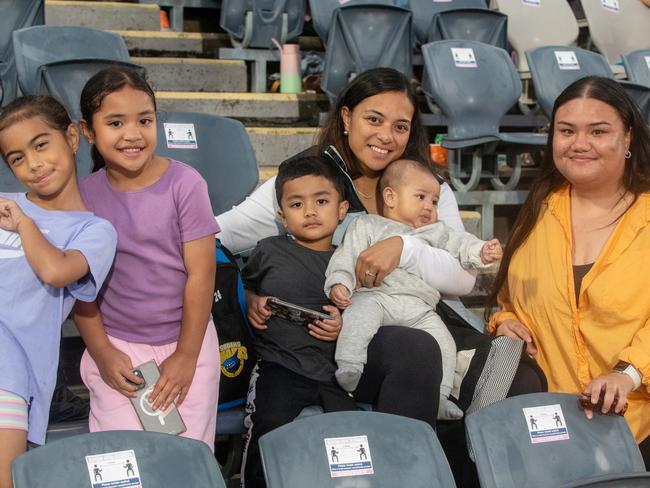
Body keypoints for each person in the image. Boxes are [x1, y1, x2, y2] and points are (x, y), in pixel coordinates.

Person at [218, 67, 477, 429]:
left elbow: (464, 280)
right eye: (374, 119)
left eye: (400, 127)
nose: (386, 136)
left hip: (420, 316)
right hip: (336, 341)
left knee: (515, 378)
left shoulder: (427, 188)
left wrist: (402, 248)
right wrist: (247, 295)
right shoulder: (309, 183)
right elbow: (219, 235)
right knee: (415, 349)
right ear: (346, 116)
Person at [488, 76, 650, 468]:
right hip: (548, 428)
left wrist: (627, 374)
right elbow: (508, 299)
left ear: (627, 139)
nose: (579, 143)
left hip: (636, 427)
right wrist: (505, 321)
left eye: (598, 131)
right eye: (566, 131)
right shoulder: (538, 212)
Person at [72, 67, 220, 450]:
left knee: (186, 459)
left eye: (144, 120)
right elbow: (80, 288)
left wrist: (186, 356)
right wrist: (102, 352)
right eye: (115, 122)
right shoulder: (83, 197)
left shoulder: (186, 184)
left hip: (188, 342)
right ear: (88, 131)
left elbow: (201, 275)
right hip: (119, 350)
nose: (133, 134)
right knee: (124, 461)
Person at [325, 159, 502, 420]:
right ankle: (350, 365)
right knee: (358, 317)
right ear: (390, 196)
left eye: (434, 201)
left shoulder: (435, 232)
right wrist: (340, 282)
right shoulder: (367, 225)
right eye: (421, 197)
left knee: (444, 342)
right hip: (377, 296)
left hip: (419, 308)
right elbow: (345, 256)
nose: (428, 207)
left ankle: (439, 397)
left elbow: (461, 243)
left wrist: (481, 251)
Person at [0, 96, 116, 488]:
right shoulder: (5, 204)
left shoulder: (94, 230)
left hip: (10, 375)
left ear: (71, 137)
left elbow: (55, 271)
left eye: (40, 144)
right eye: (16, 158)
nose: (32, 164)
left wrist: (25, 225)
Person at [240, 155, 357, 488]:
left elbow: (367, 309)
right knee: (267, 425)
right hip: (279, 366)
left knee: (350, 435)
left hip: (333, 372)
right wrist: (253, 302)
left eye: (322, 201)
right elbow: (243, 285)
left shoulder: (349, 258)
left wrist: (341, 323)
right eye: (296, 204)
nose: (310, 211)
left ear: (342, 208)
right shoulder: (269, 250)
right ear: (281, 215)